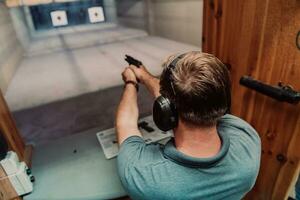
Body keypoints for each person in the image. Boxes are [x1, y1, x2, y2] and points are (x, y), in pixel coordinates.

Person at [115, 51, 261, 200]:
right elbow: (188, 98)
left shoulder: (142, 176)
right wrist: (144, 75)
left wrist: (131, 83)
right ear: (225, 102)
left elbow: (126, 125)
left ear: (164, 110)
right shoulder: (247, 139)